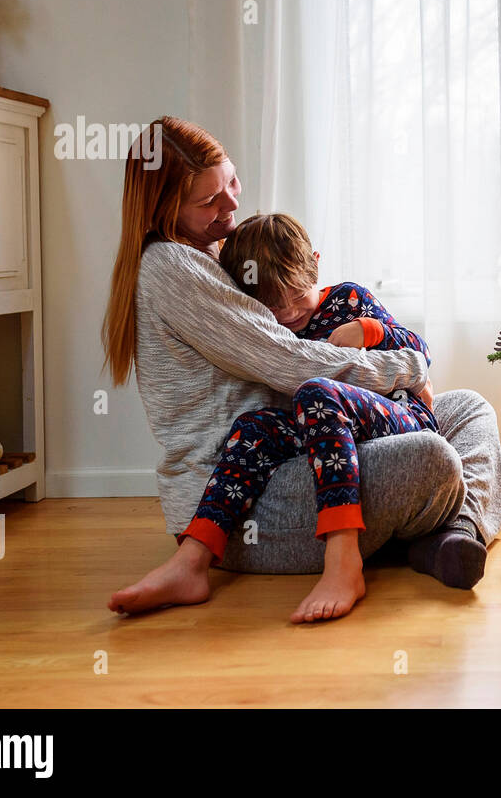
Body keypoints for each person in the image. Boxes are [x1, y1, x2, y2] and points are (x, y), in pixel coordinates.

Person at [103, 117, 501, 618]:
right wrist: (409, 368)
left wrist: (394, 354)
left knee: (470, 407)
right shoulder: (173, 267)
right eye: (208, 201)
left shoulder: (216, 255)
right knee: (432, 457)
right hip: (254, 496)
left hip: (306, 447)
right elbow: (288, 362)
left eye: (230, 182)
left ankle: (447, 538)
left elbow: (322, 348)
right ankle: (427, 533)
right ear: (165, 209)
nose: (230, 204)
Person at [176, 212, 440, 622]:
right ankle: (194, 557)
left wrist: (368, 330)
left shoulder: (349, 300)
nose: (287, 313)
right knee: (253, 425)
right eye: (272, 304)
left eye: (297, 295)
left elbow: (419, 351)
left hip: (400, 417)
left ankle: (342, 556)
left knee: (316, 390)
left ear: (315, 264)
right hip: (329, 434)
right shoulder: (267, 327)